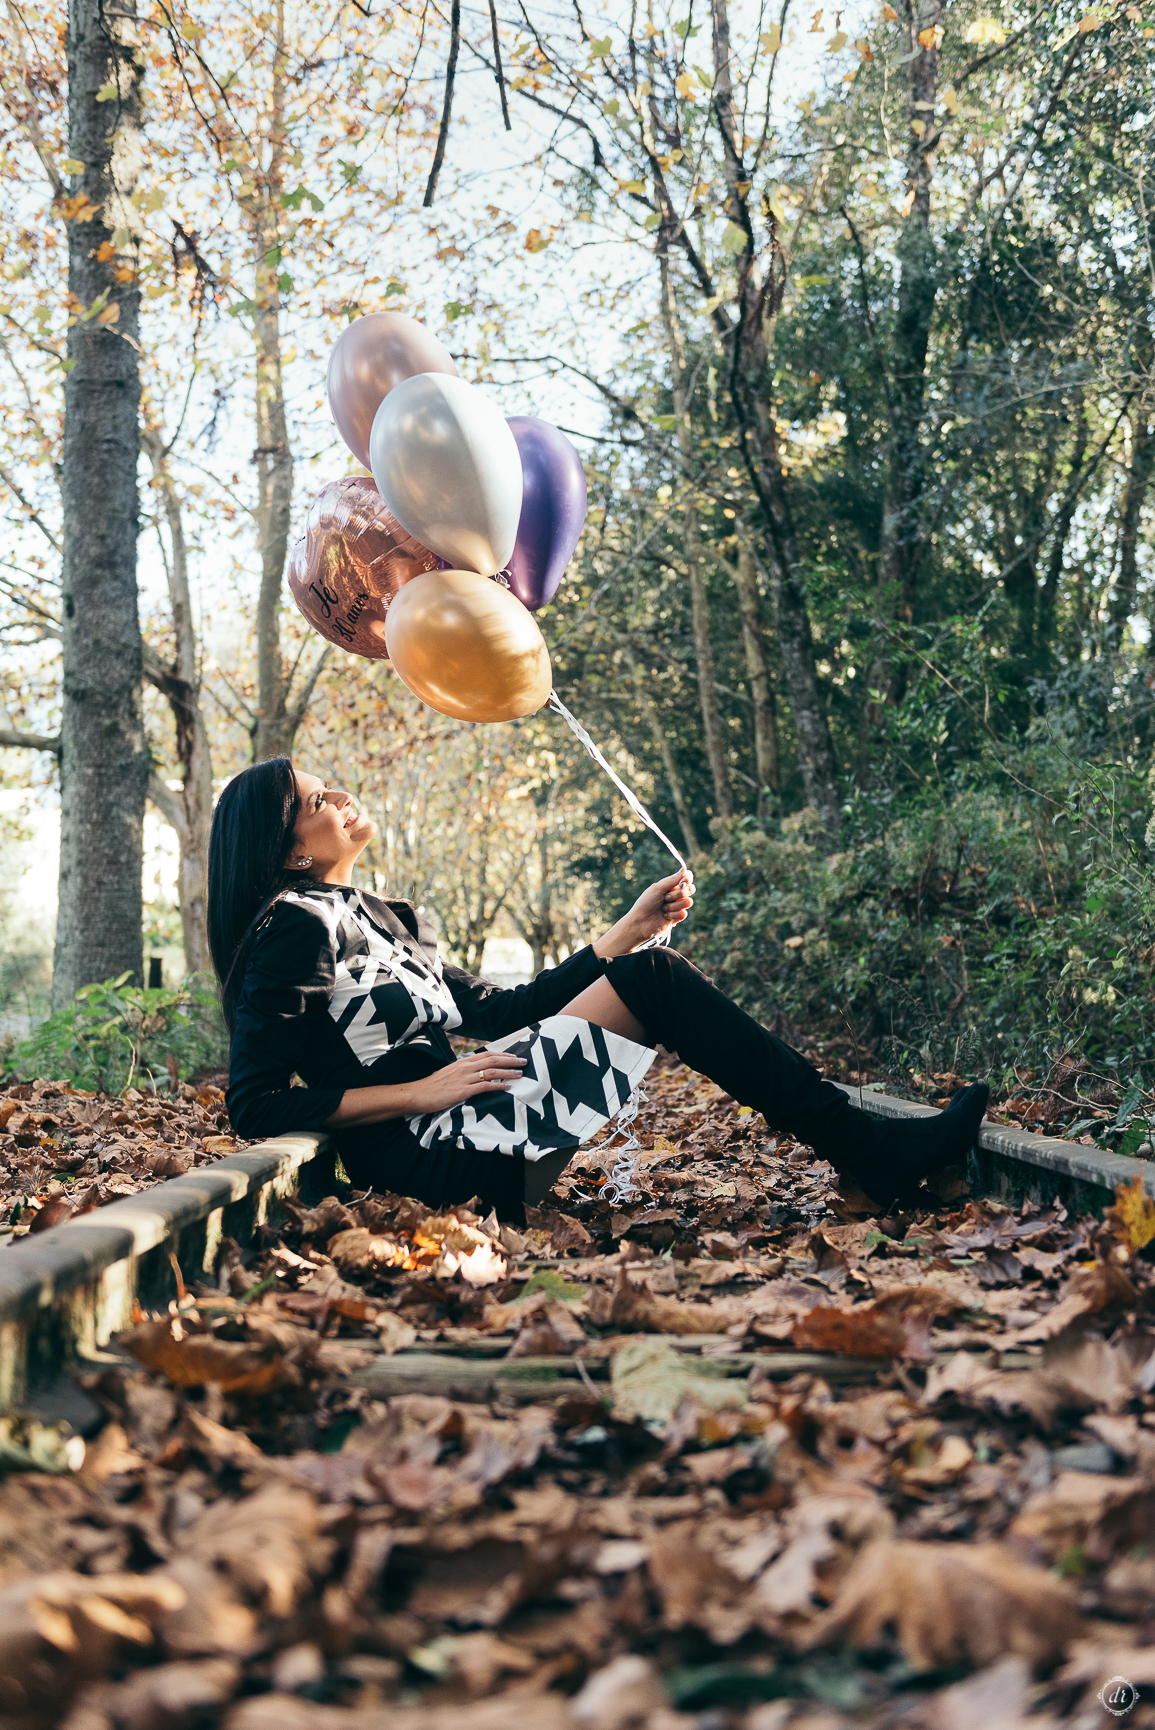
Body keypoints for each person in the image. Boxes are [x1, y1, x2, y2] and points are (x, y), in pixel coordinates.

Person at [207, 758, 989, 1222]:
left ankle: (864, 1151)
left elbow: (503, 1012)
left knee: (649, 970)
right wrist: (420, 1093)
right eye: (316, 802)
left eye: (330, 787)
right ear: (291, 852)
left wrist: (627, 930)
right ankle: (867, 1151)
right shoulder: (293, 928)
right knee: (653, 981)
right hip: (431, 1157)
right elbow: (256, 1104)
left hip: (477, 1122)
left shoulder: (387, 917)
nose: (340, 797)